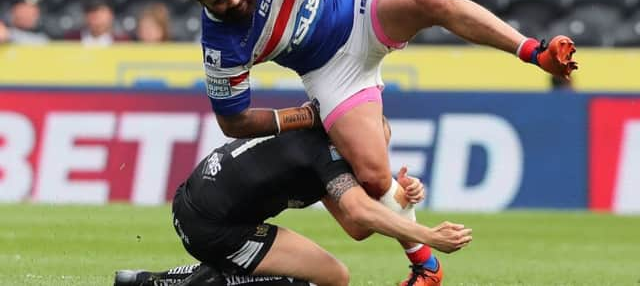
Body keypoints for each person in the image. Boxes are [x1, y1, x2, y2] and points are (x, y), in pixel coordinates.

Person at [174, 0, 577, 285]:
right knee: (375, 178)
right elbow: (234, 120)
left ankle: (533, 51)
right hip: (332, 73)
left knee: (428, 1)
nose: (232, 1)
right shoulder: (222, 45)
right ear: (202, 5)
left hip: (360, 7)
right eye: (218, 2)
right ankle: (427, 267)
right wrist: (300, 116)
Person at [114, 122, 473, 286]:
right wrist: (426, 235)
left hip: (195, 206)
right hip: (211, 226)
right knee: (331, 278)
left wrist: (398, 197)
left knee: (326, 274)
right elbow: (360, 212)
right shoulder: (326, 157)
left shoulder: (325, 144)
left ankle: (152, 282)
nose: (378, 159)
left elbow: (357, 230)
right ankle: (188, 284)